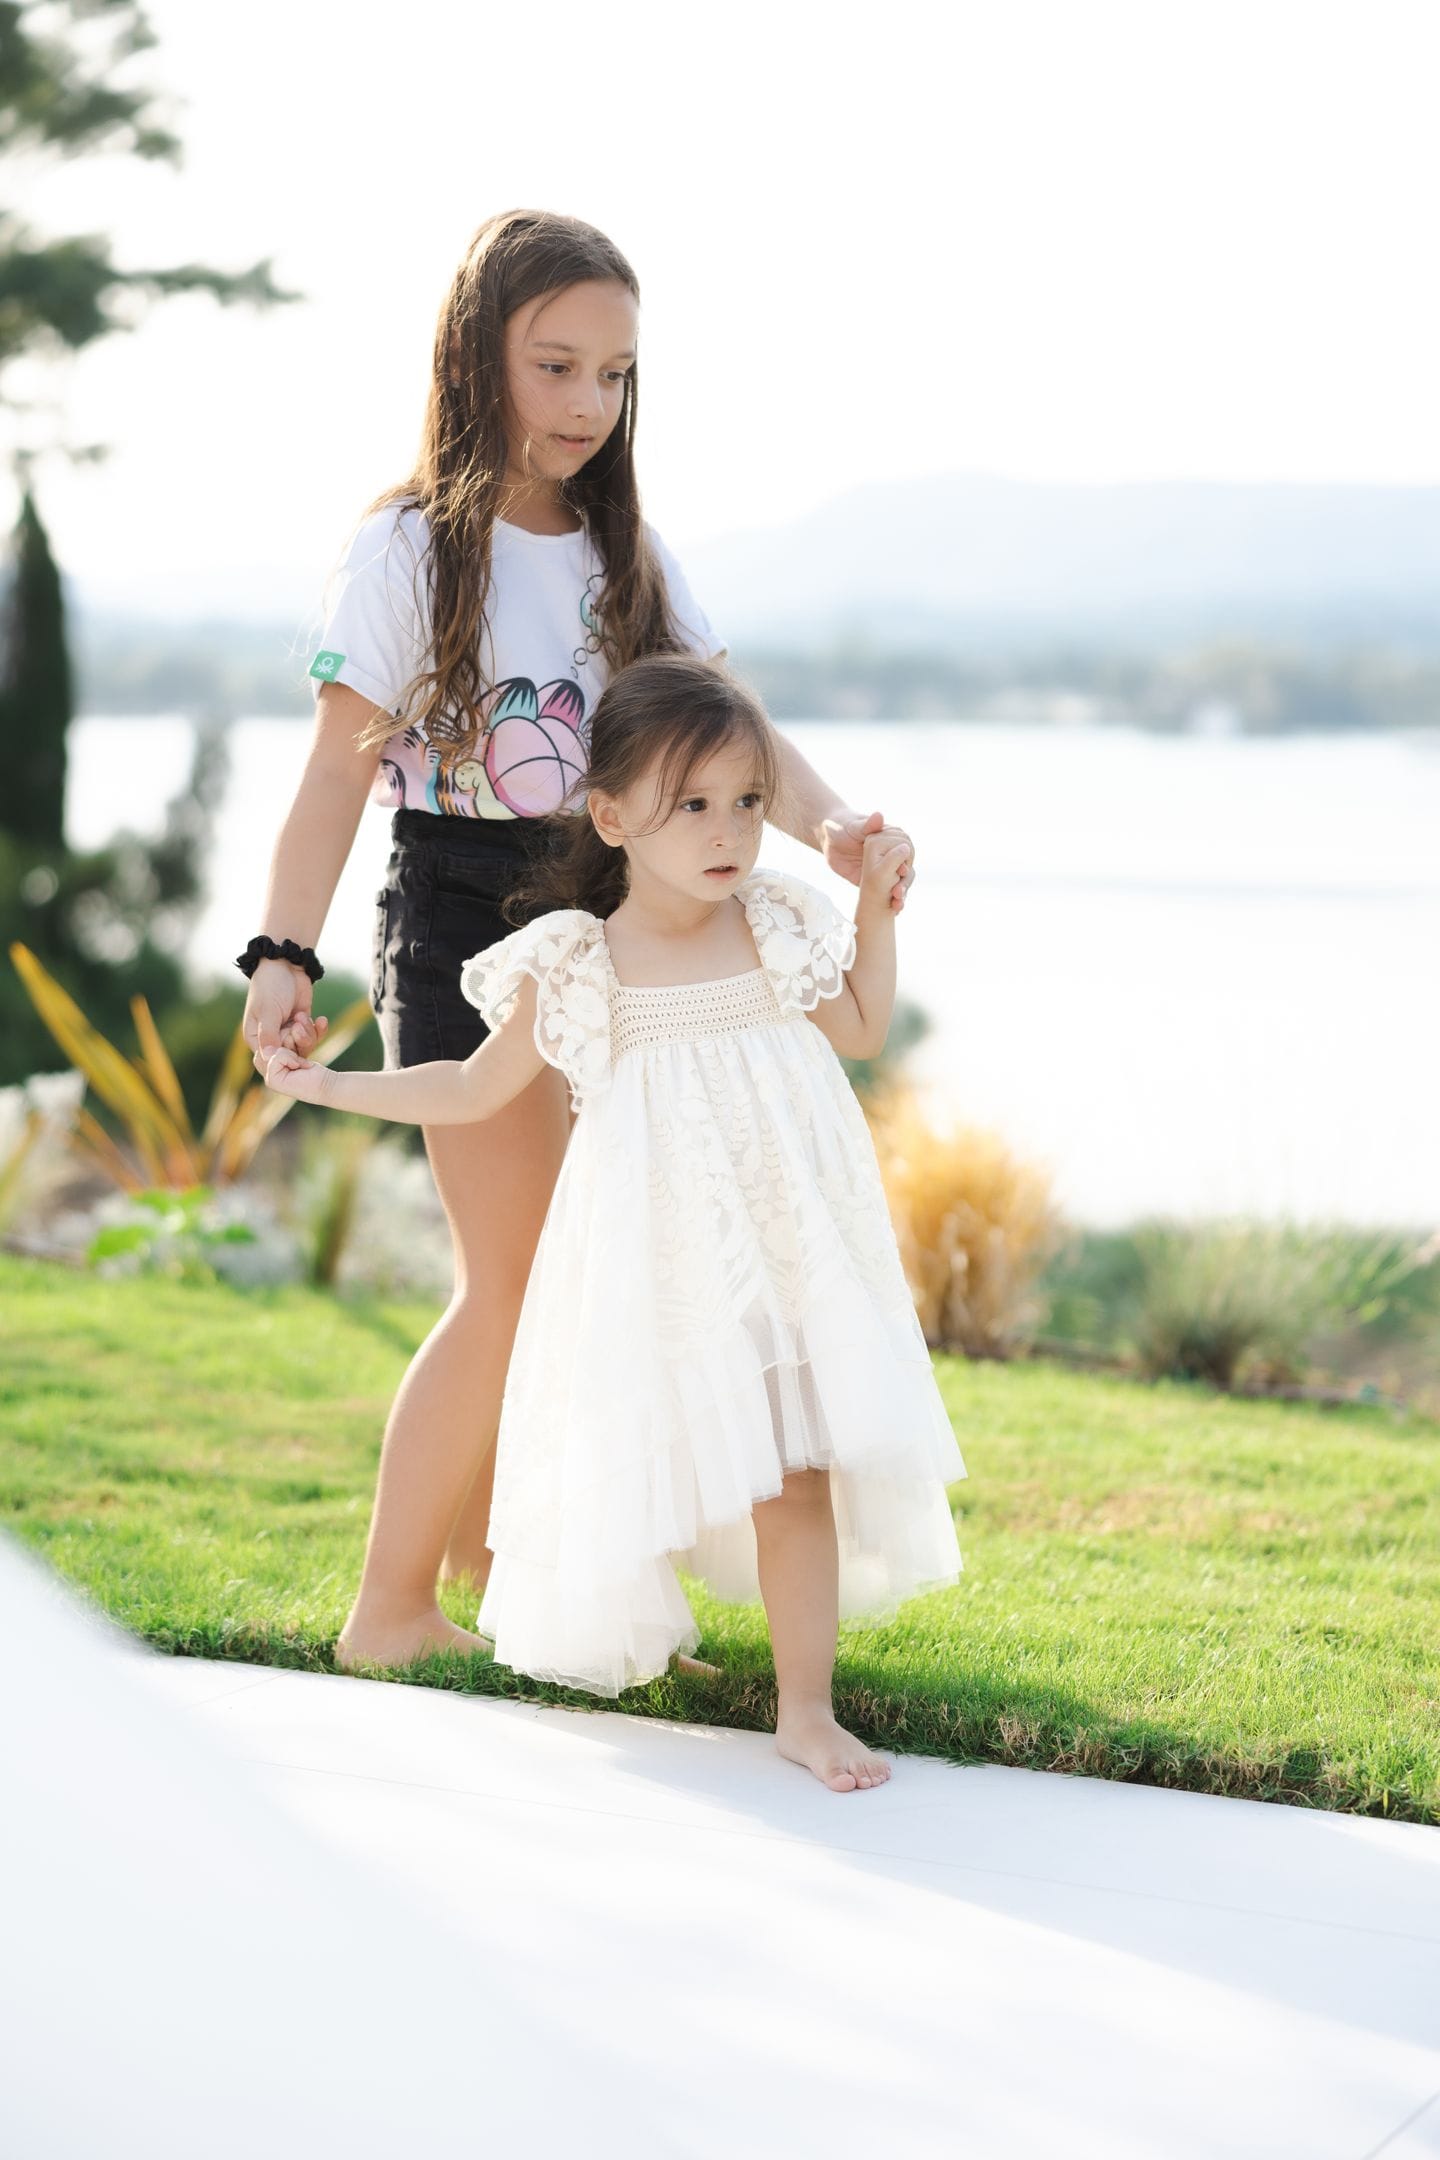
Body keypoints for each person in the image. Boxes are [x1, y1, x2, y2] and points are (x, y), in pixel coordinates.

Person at [239, 207, 919, 1675]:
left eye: (614, 375)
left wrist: (837, 831)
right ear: (475, 357)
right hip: (459, 920)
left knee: (594, 1274)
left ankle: (508, 1582)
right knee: (514, 1282)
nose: (587, 404)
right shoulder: (407, 548)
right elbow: (331, 781)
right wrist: (279, 954)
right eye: (555, 366)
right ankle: (387, 1610)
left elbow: (733, 732)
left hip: (612, 923)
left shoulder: (629, 552)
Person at [261, 653, 965, 1794]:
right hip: (662, 1265)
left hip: (783, 1248)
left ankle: (806, 1709)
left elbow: (862, 1027)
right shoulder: (581, 961)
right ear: (611, 817)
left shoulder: (773, 922)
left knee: (795, 1470)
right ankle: (632, 1629)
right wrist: (327, 1085)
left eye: (747, 801)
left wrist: (875, 917)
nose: (727, 831)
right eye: (692, 805)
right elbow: (471, 1089)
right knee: (651, 1457)